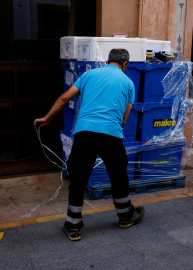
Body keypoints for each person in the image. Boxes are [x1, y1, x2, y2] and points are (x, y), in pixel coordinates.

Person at [34, 48, 144, 241]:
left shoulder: (89, 75)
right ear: (125, 64)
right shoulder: (128, 83)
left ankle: (73, 225)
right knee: (118, 177)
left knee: (78, 179)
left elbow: (64, 98)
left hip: (84, 133)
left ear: (108, 60)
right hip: (111, 133)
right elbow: (124, 120)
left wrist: (47, 118)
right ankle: (126, 216)